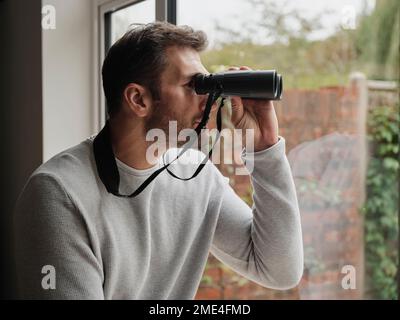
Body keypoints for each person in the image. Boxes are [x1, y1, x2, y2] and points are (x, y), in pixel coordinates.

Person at [13, 21, 303, 299]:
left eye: (208, 84)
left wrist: (264, 146)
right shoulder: (59, 193)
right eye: (193, 85)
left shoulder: (196, 177)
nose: (209, 99)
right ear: (138, 99)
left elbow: (280, 271)